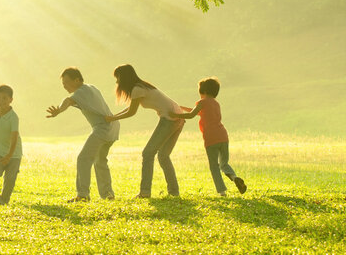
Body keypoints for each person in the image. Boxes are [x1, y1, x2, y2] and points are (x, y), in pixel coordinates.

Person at [105, 64, 184, 198]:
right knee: (163, 156)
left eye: (117, 78)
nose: (117, 82)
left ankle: (145, 192)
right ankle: (174, 192)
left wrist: (113, 118)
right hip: (178, 118)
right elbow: (131, 107)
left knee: (148, 153)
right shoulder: (141, 87)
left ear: (124, 77)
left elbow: (131, 112)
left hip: (169, 119)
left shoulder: (137, 89)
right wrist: (114, 117)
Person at [46, 67, 120, 202]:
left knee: (83, 158)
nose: (65, 86)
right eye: (63, 84)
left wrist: (59, 110)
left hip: (102, 128)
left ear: (77, 80)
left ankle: (83, 195)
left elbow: (68, 101)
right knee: (100, 161)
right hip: (113, 126)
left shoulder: (80, 92)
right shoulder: (91, 87)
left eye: (67, 83)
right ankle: (108, 194)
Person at [169, 77, 247, 196]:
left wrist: (174, 114)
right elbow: (196, 112)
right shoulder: (215, 103)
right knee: (224, 163)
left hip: (211, 138)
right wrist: (182, 107)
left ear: (203, 91)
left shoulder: (202, 102)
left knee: (214, 166)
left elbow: (191, 115)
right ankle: (235, 177)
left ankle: (222, 192)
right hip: (223, 136)